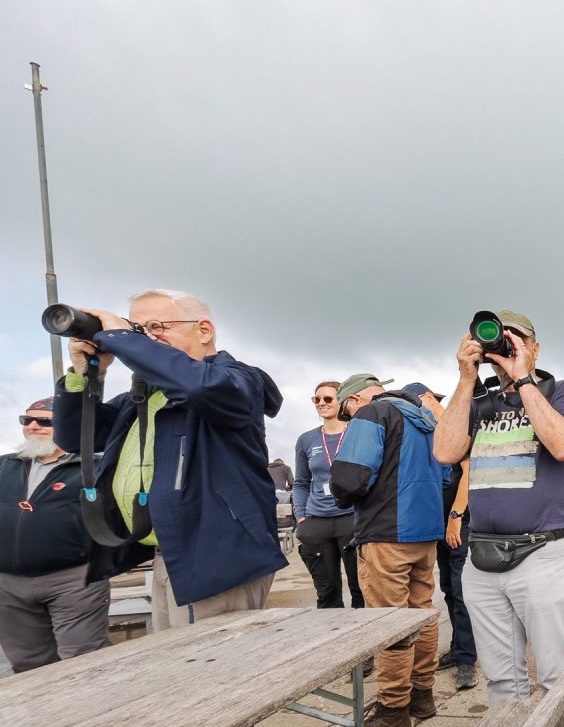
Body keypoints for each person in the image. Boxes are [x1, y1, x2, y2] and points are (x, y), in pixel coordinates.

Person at [52, 289, 286, 630]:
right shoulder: (141, 398)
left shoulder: (236, 379)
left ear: (203, 330)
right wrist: (86, 374)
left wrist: (122, 339)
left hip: (216, 556)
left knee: (211, 661)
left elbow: (198, 388)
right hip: (169, 554)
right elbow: (74, 438)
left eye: (156, 326)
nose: (145, 338)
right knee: (176, 658)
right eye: (137, 329)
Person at [434, 310, 564, 705]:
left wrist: (522, 379)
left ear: (535, 348)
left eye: (516, 339)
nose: (506, 346)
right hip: (482, 557)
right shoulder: (477, 398)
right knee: (501, 681)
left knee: (555, 677)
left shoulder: (561, 391)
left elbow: (563, 446)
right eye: (499, 340)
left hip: (543, 553)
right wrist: (466, 378)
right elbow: (445, 451)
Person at [330, 374, 444, 727]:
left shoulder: (372, 413)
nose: (348, 418)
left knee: (389, 622)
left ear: (354, 399)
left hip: (386, 531)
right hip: (425, 531)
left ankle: (393, 710)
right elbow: (446, 475)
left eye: (346, 411)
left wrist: (342, 497)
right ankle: (422, 696)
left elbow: (349, 478)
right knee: (422, 612)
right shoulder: (425, 417)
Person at [0, 397, 110, 671]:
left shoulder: (94, 467)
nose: (33, 426)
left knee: (86, 661)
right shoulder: (4, 466)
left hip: (74, 579)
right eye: (27, 420)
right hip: (8, 586)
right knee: (28, 665)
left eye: (44, 421)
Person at [404, 383, 478, 692]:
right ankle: (459, 647)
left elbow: (470, 471)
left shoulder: (454, 424)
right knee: (448, 588)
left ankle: (467, 659)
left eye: (414, 403)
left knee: (460, 591)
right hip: (438, 525)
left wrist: (455, 517)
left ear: (426, 398)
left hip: (458, 523)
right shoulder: (425, 431)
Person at [293, 380, 364, 609]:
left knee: (361, 589)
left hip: (351, 518)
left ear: (342, 400)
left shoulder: (358, 433)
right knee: (327, 592)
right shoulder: (306, 440)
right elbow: (301, 482)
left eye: (328, 398)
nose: (321, 403)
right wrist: (301, 517)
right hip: (317, 520)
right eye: (317, 399)